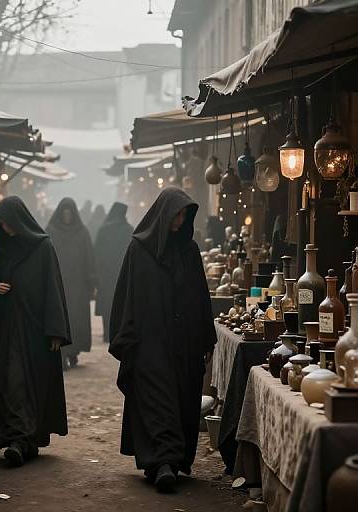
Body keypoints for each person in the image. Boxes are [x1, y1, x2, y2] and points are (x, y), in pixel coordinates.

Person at [109, 187, 217, 494]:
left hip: (183, 344)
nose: (180, 221)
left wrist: (206, 339)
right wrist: (126, 338)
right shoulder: (139, 250)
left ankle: (165, 462)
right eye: (176, 214)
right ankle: (163, 462)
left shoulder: (189, 251)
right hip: (149, 343)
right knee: (158, 402)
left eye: (185, 215)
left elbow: (200, 297)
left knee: (181, 399)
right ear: (163, 214)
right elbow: (126, 298)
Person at [0, 196, 70, 467]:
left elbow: (53, 291)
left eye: (7, 221)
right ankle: (17, 440)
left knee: (33, 385)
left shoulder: (43, 247)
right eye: (0, 223)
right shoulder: (4, 250)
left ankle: (27, 441)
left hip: (35, 332)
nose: (4, 227)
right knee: (11, 383)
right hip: (8, 331)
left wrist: (55, 331)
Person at [46, 198, 97, 369]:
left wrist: (92, 281)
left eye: (69, 213)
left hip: (78, 285)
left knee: (76, 319)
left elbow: (89, 258)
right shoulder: (51, 231)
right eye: (64, 213)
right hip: (58, 283)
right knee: (61, 318)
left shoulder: (82, 232)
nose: (67, 216)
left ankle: (73, 351)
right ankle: (64, 352)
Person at [94, 202, 133, 343]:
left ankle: (107, 333)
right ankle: (118, 332)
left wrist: (97, 274)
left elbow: (96, 253)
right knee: (121, 303)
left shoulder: (104, 230)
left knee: (107, 305)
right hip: (121, 272)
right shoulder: (129, 230)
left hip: (105, 274)